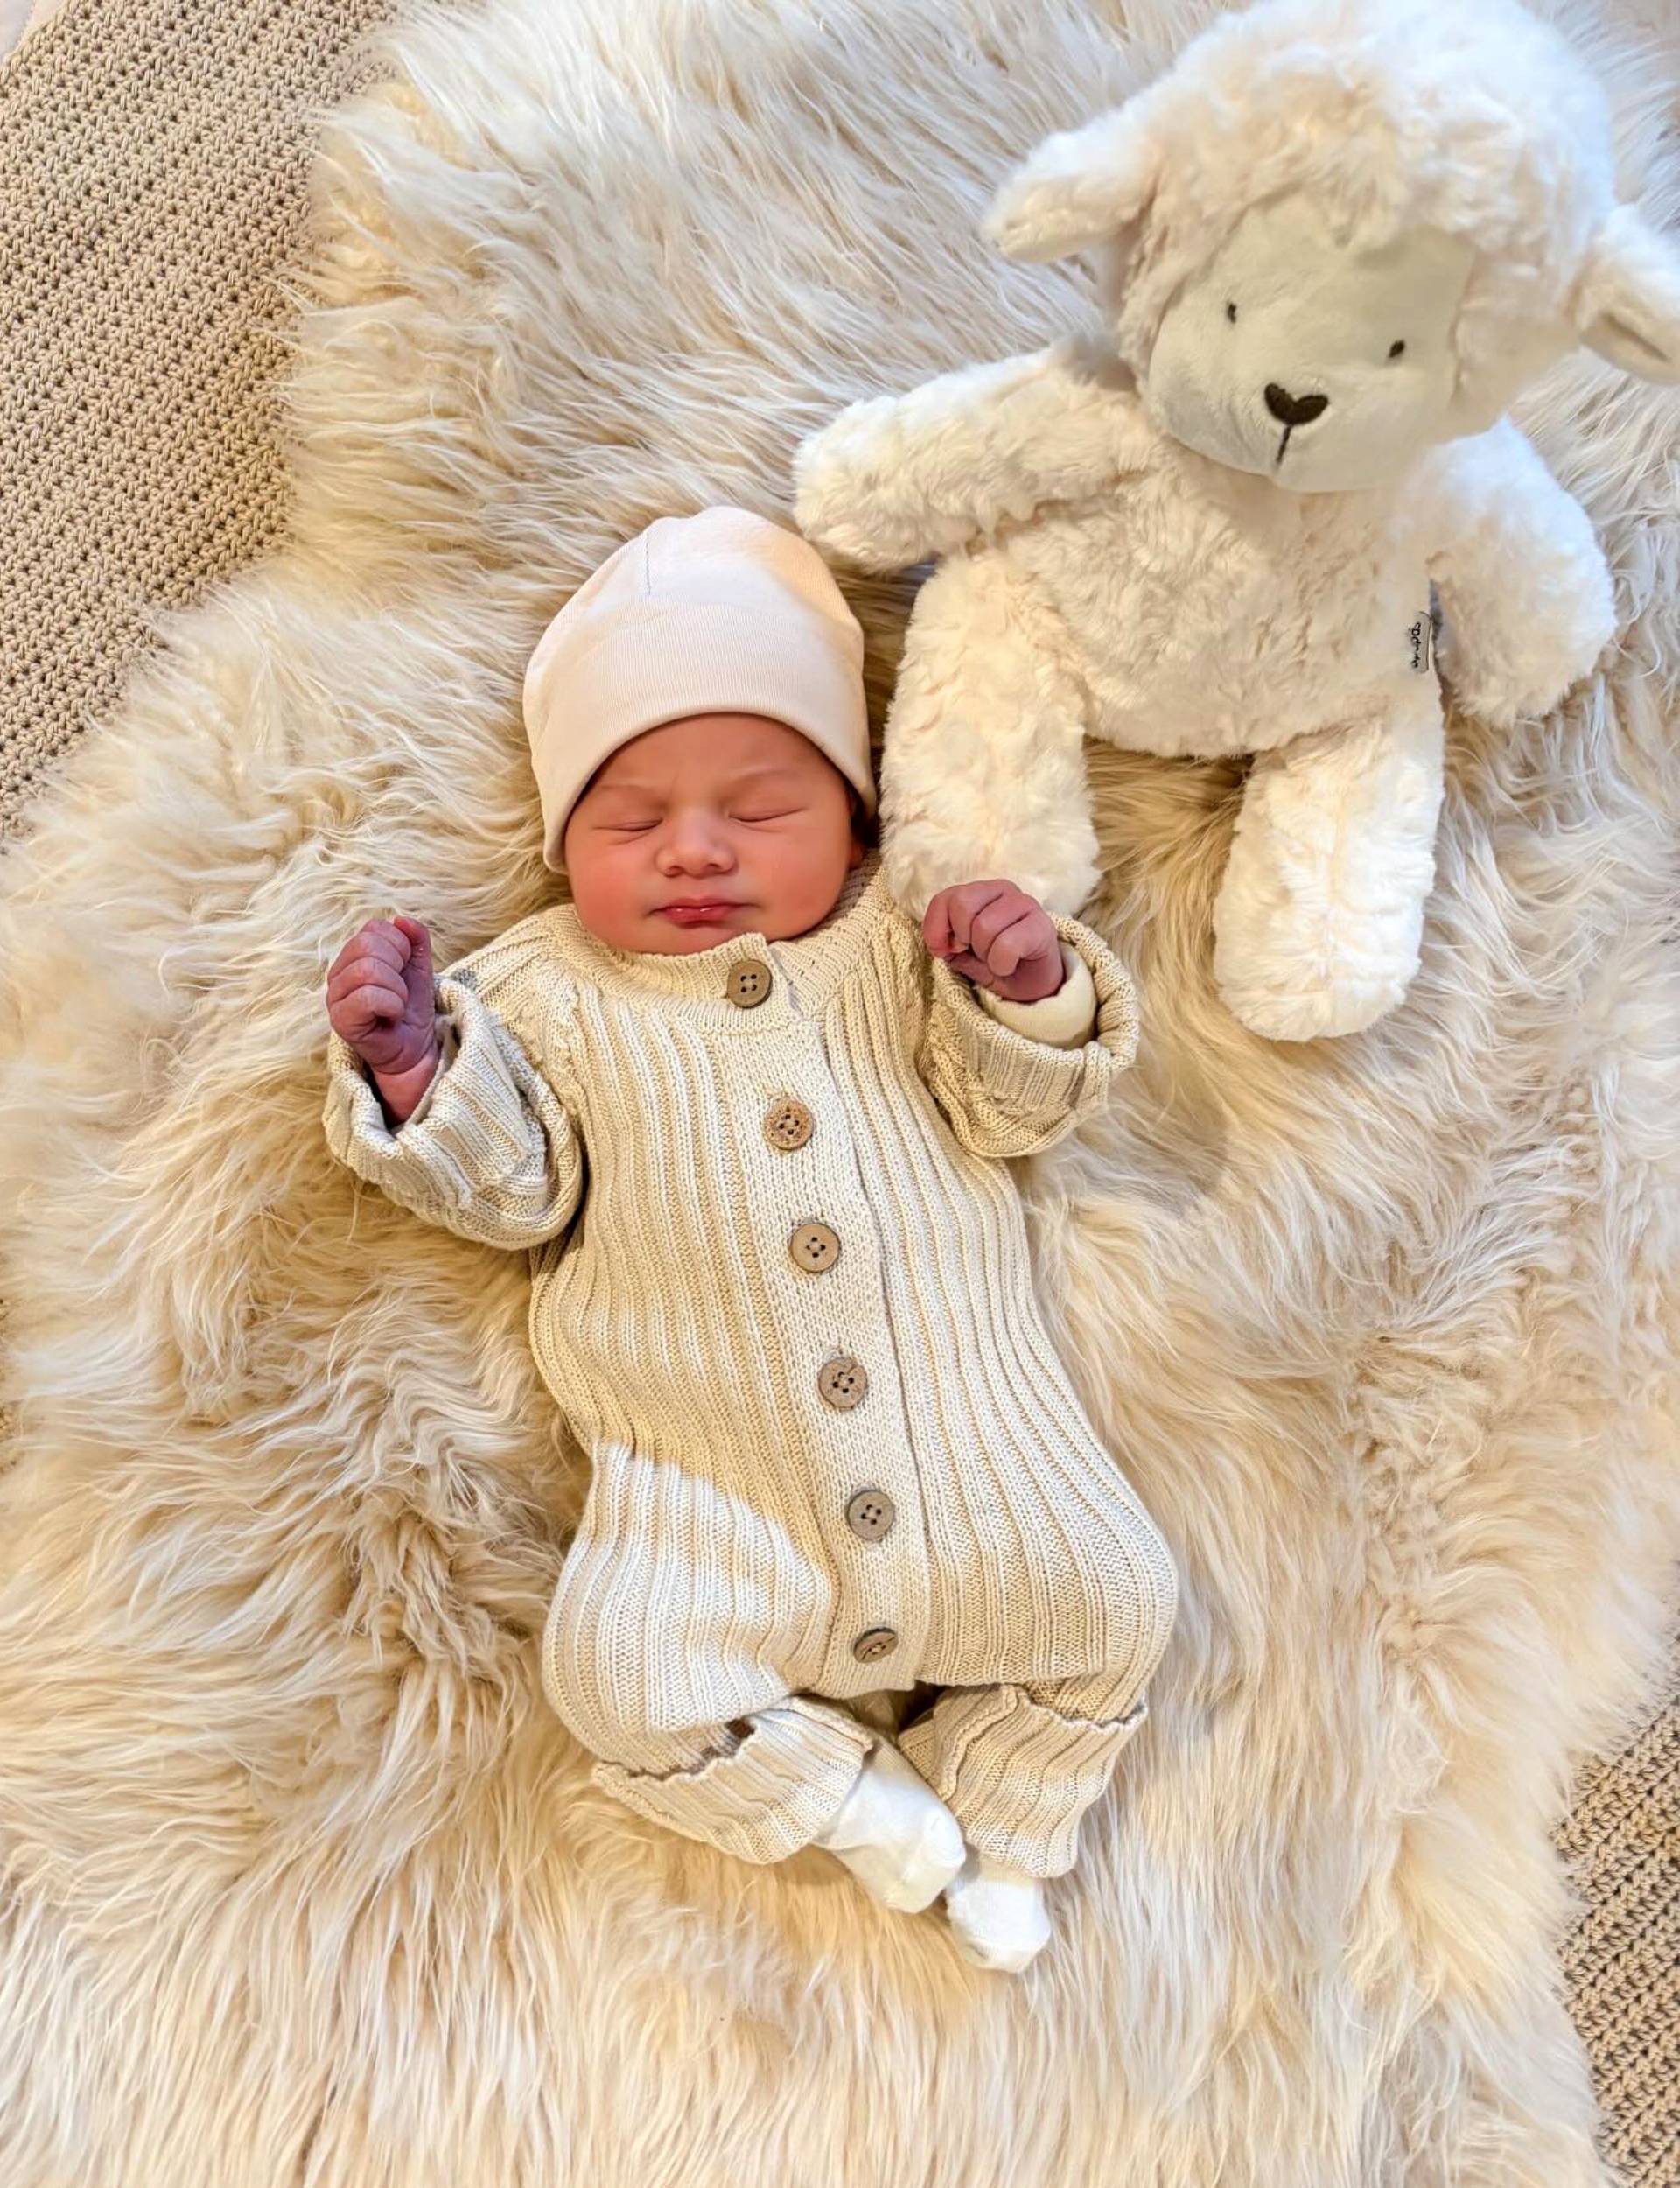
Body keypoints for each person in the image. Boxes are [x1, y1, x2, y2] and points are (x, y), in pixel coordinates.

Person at [321, 506, 1177, 1974]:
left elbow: (1011, 1110)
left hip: (977, 1461)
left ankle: (1012, 1831)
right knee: (616, 1682)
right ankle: (855, 1808)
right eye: (629, 819)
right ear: (560, 840)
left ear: (850, 818)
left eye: (761, 806)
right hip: (711, 1511)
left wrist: (1024, 991)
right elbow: (516, 1191)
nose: (693, 851)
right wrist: (421, 1075)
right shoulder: (546, 991)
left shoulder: (898, 941)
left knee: (1122, 1600)